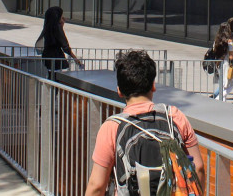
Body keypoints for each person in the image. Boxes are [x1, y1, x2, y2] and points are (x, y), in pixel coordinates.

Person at [84, 50, 205, 196]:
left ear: (119, 91)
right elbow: (198, 168)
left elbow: (97, 185)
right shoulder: (174, 116)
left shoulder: (111, 127)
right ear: (153, 86)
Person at [37, 6, 83, 76]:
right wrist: (75, 58)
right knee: (58, 77)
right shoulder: (57, 28)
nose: (63, 18)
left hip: (47, 56)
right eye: (61, 16)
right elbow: (65, 45)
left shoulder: (47, 27)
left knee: (51, 76)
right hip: (56, 57)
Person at [211, 22, 233, 101]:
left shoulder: (216, 40)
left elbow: (214, 50)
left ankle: (221, 100)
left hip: (218, 63)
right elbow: (231, 55)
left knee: (223, 82)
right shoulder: (229, 41)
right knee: (230, 84)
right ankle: (218, 98)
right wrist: (232, 65)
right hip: (226, 63)